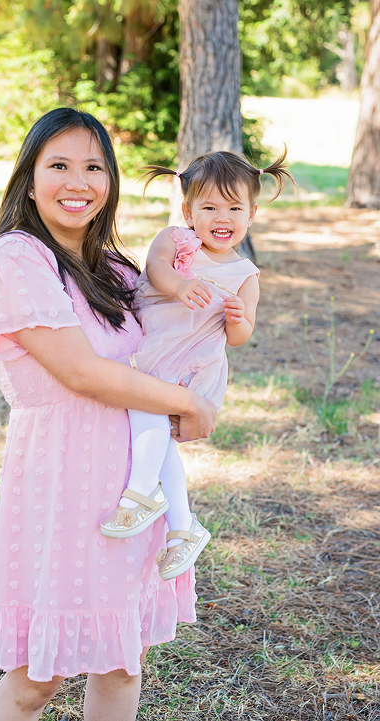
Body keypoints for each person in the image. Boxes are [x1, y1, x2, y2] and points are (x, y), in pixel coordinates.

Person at [0, 107, 216, 721]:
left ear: (109, 182)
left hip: (129, 483)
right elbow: (81, 372)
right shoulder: (19, 257)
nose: (77, 181)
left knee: (120, 660)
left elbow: (176, 329)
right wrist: (189, 404)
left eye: (94, 167)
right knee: (37, 678)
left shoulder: (110, 267)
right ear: (30, 179)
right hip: (61, 480)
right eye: (59, 165)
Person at [101, 149, 294, 582]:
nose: (221, 216)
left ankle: (139, 496)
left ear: (252, 214)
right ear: (188, 211)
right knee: (158, 433)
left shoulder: (245, 273)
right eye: (208, 206)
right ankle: (182, 528)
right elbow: (154, 269)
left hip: (196, 364)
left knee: (151, 416)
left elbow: (241, 337)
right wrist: (181, 284)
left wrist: (238, 321)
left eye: (233, 207)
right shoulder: (174, 240)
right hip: (157, 353)